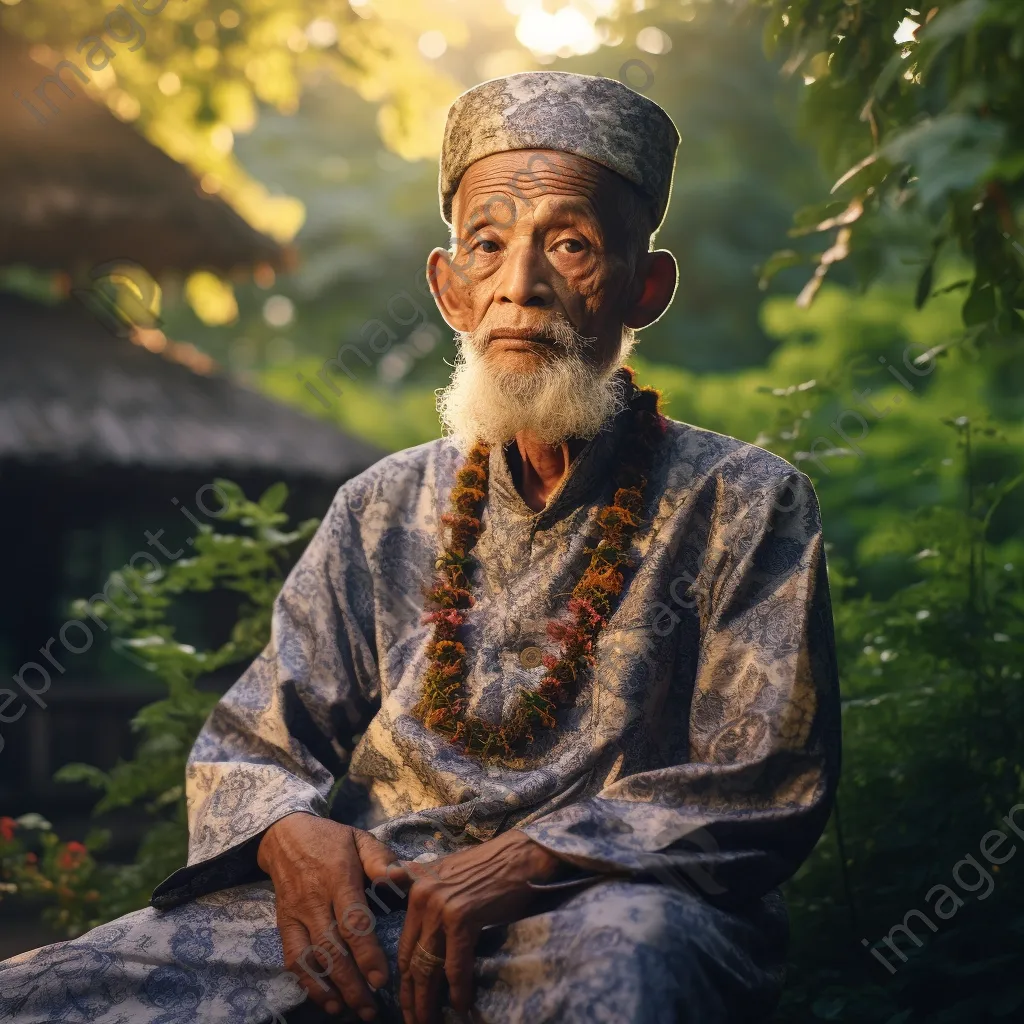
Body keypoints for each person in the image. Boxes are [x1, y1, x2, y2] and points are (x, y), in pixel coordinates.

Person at [0, 71, 840, 1024]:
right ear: (449, 289)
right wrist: (286, 835)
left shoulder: (747, 501)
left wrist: (533, 857)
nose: (519, 286)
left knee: (633, 962)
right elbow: (255, 739)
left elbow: (766, 778)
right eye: (489, 245)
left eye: (569, 244)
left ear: (645, 287)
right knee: (46, 992)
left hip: (596, 909)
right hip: (373, 909)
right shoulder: (381, 505)